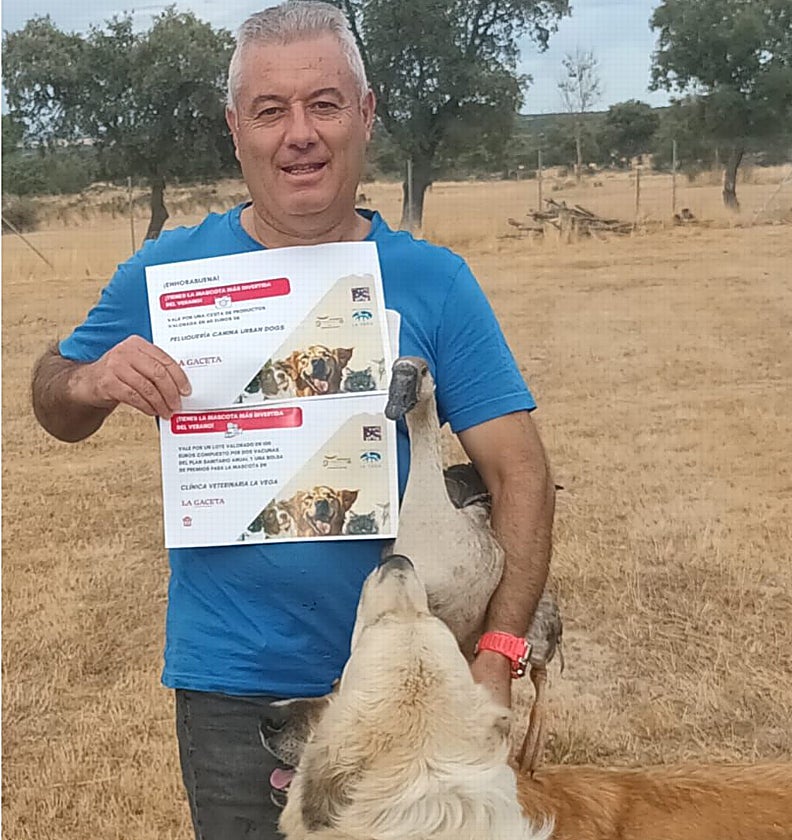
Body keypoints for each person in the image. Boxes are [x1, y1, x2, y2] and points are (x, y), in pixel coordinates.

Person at [29, 3, 556, 838]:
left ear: (366, 113)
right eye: (271, 110)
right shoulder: (167, 273)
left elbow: (519, 472)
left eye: (324, 104)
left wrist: (499, 653)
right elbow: (52, 398)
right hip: (239, 685)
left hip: (411, 686)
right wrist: (90, 379)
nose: (299, 134)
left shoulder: (435, 281)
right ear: (235, 129)